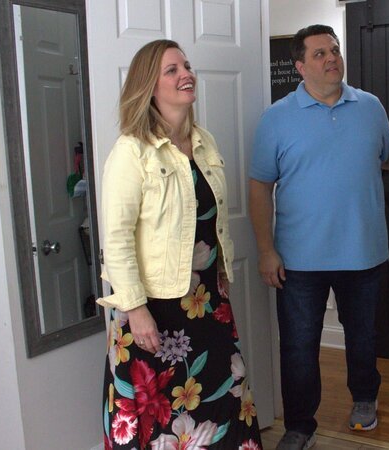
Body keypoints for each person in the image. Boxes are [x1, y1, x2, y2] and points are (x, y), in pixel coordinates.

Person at [249, 24, 389, 450]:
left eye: (335, 50)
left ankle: (365, 399)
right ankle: (299, 426)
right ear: (299, 66)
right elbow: (259, 186)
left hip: (362, 253)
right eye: (320, 53)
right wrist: (266, 250)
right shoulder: (276, 117)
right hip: (298, 259)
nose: (332, 59)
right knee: (298, 346)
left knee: (363, 337)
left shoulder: (369, 106)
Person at [98, 39, 263, 450]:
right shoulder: (131, 151)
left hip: (206, 299)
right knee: (159, 414)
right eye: (171, 69)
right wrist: (135, 310)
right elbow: (116, 239)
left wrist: (221, 276)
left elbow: (211, 221)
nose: (185, 74)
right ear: (148, 86)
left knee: (222, 397)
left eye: (186, 66)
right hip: (154, 305)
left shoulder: (203, 142)